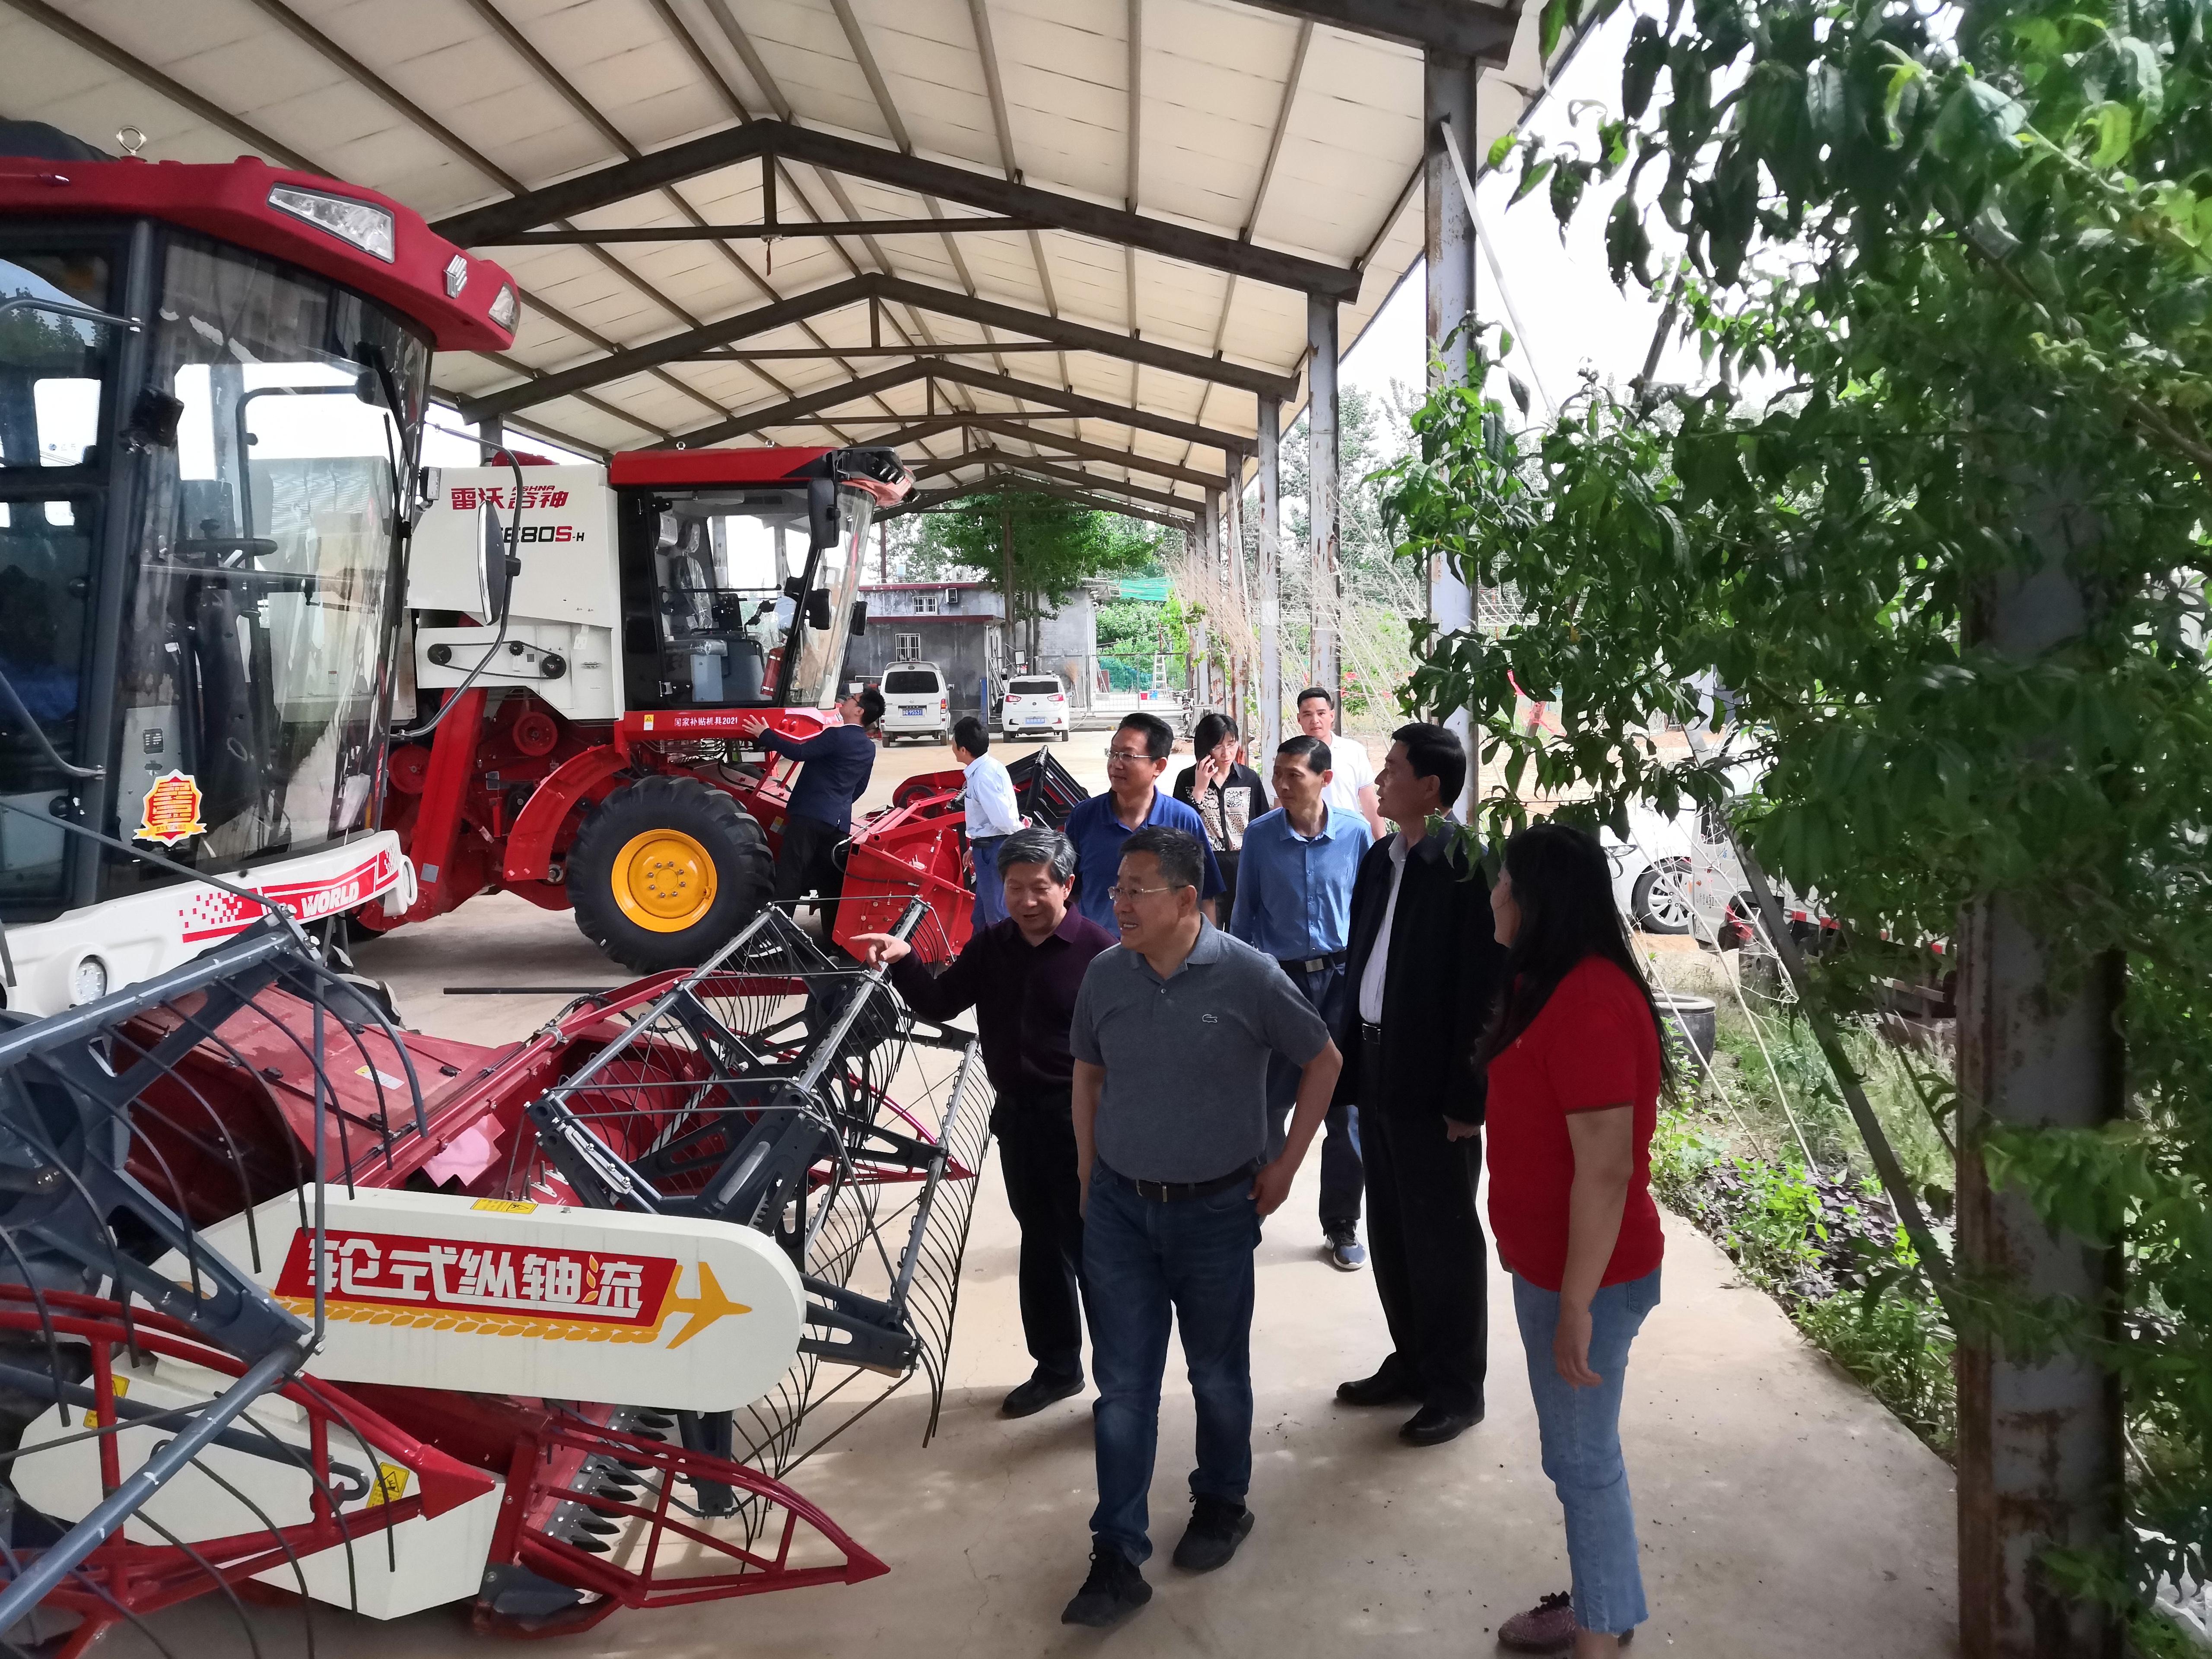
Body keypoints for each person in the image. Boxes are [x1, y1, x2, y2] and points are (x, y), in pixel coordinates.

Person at [1061, 827, 1343, 1627]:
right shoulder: (1106, 974)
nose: (1120, 904)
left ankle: (1222, 1501)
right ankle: (1117, 1554)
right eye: (1117, 888)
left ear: (1187, 900)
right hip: (1119, 1209)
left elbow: (1323, 1061)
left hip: (1217, 1212)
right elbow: (1088, 1074)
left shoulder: (1250, 976)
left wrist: (1286, 1165)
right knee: (1123, 1388)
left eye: (1137, 890)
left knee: (1216, 1375)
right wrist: (1087, 1173)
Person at [1480, 823, 1669, 1659]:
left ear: (1535, 899)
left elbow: (1606, 1169)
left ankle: (1599, 1633)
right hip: (1554, 1269)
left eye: (1503, 882)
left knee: (1583, 1463)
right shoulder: (1546, 983)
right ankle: (1604, 1598)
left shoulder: (1590, 1000)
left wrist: (1576, 1307)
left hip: (1590, 1280)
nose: (1494, 896)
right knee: (1576, 1457)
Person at [852, 828, 1115, 1419]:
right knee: (1040, 1246)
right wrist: (904, 961)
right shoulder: (993, 945)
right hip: (1018, 1121)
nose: (1025, 900)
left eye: (1039, 887)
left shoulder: (1099, 954)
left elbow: (1125, 1052)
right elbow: (942, 1002)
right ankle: (1057, 1369)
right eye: (1013, 887)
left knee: (1096, 1253)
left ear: (1067, 887)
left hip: (1081, 1124)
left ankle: (1121, 1387)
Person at [1332, 721, 1508, 1446]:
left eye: (1394, 768)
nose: (1379, 779)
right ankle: (1411, 1361)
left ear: (1431, 787)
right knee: (1392, 1225)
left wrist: (1469, 1097)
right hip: (1377, 1063)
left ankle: (1458, 1387)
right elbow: (1361, 960)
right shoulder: (1383, 858)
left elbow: (1487, 992)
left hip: (1435, 1079)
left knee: (1443, 1234)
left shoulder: (1469, 865)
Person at [1229, 734, 1372, 1270]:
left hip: (1340, 981)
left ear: (1324, 780)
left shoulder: (1355, 834)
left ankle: (1340, 1223)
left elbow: (1368, 911)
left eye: (1295, 775)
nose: (1282, 785)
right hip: (1280, 983)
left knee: (1345, 1111)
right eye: (1278, 775)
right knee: (1267, 1106)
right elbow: (1244, 917)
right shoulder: (1261, 836)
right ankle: (1252, 1209)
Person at [741, 685, 883, 947]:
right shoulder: (868, 747)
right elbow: (860, 787)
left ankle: (776, 936)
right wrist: (837, 804)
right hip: (838, 823)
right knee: (830, 880)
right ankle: (833, 942)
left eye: (852, 700)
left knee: (791, 874)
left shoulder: (836, 736)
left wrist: (765, 734)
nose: (846, 701)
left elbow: (800, 753)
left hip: (810, 816)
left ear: (859, 711)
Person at [1062, 712, 1224, 929]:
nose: (1116, 764)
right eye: (1113, 754)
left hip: (1166, 949)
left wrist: (1209, 948)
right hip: (1100, 946)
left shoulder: (1184, 821)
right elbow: (1069, 893)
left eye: (1128, 756)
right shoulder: (1084, 817)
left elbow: (1205, 897)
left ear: (1159, 766)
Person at [1172, 711, 1267, 920]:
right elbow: (1180, 827)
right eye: (1218, 746)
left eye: (1231, 744)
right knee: (1208, 929)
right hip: (1205, 862)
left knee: (1240, 928)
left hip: (1242, 863)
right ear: (1205, 748)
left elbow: (1262, 821)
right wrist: (1199, 790)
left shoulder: (1249, 778)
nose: (1226, 753)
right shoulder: (1187, 779)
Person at [953, 715, 1021, 929]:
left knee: (996, 917)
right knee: (981, 917)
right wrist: (974, 846)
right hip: (986, 848)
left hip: (993, 851)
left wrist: (1021, 838)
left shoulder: (983, 777)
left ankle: (1003, 952)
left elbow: (1004, 820)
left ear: (963, 749)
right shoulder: (988, 768)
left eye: (954, 742)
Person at [1296, 686, 1384, 839]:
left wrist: (1382, 844)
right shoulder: (1291, 756)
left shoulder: (1353, 751)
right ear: (1299, 719)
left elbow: (1369, 801)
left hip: (1348, 836)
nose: (1315, 720)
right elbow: (1281, 804)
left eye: (1321, 713)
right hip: (1305, 839)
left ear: (1332, 716)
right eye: (1308, 714)